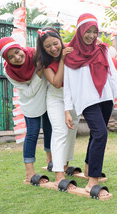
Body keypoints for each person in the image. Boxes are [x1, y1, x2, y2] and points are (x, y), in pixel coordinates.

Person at [63, 13, 117, 199]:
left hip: (105, 98)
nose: (91, 35)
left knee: (95, 134)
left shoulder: (102, 49)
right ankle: (93, 179)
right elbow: (67, 84)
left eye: (94, 31)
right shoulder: (69, 53)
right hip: (86, 101)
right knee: (101, 134)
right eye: (88, 31)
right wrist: (67, 109)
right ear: (80, 31)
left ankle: (88, 168)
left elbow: (112, 75)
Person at [0, 37, 52, 183]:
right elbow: (27, 92)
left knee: (49, 128)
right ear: (6, 60)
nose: (17, 57)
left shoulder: (34, 54)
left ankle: (50, 159)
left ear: (20, 48)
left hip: (46, 95)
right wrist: (38, 73)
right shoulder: (8, 71)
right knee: (32, 132)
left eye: (17, 52)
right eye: (11, 57)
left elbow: (55, 47)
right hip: (30, 101)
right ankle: (29, 173)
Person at [35, 27, 79, 189]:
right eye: (48, 46)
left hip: (73, 99)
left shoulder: (69, 49)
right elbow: (56, 82)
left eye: (55, 43)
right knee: (60, 131)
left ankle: (65, 164)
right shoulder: (44, 61)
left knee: (71, 131)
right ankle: (59, 174)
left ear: (60, 40)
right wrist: (61, 60)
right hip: (55, 98)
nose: (53, 48)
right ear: (43, 48)